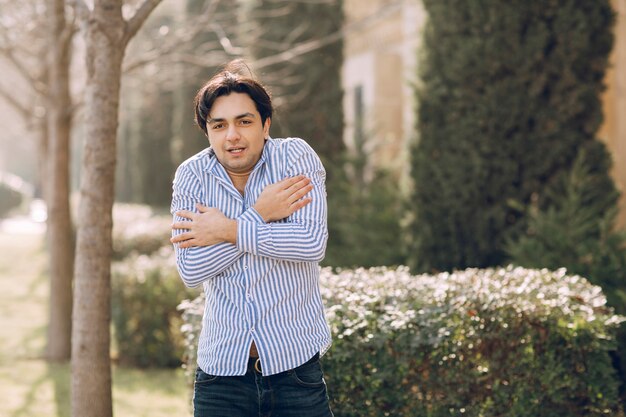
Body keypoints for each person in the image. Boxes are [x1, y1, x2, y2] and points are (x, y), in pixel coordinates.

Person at [170, 60, 333, 417]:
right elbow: (191, 268)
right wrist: (259, 215)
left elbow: (309, 242)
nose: (233, 135)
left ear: (265, 125)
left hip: (295, 370)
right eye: (220, 125)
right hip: (221, 375)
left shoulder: (293, 158)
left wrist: (224, 230)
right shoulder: (192, 177)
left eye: (244, 121)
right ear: (207, 132)